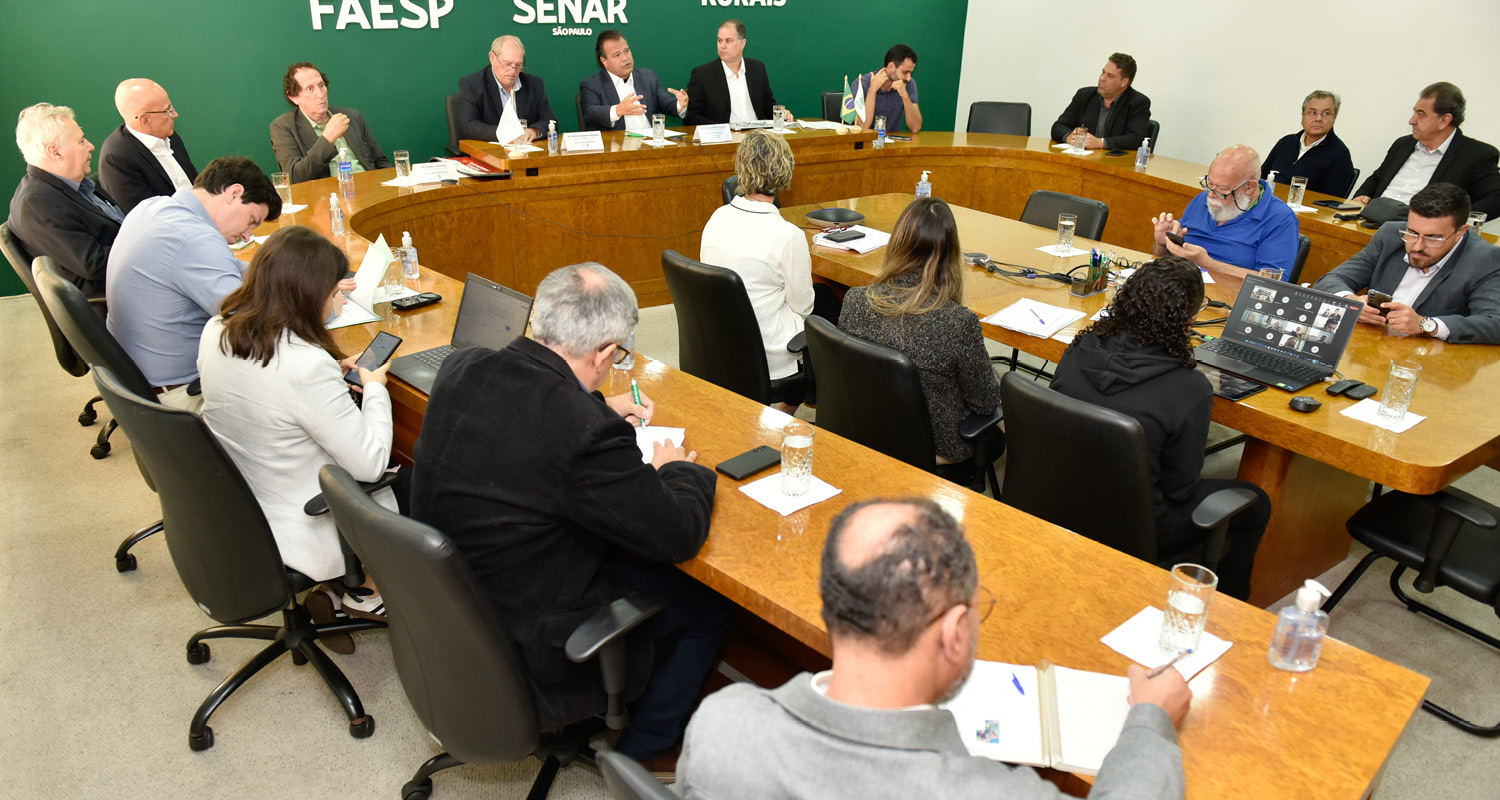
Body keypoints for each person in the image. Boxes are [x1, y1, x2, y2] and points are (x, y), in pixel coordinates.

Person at [410, 263, 728, 773]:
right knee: (707, 605)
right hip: (530, 639)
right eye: (618, 354)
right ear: (604, 352)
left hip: (456, 607)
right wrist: (676, 471)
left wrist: (595, 405)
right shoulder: (583, 433)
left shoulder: (462, 366)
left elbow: (524, 419)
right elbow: (679, 534)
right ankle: (644, 753)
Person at [678, 498, 1192, 799]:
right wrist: (1150, 722)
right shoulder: (986, 792)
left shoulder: (720, 723)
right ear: (953, 633)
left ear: (832, 605)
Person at [197, 225, 394, 629]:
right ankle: (367, 593)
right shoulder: (305, 366)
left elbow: (269, 388)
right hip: (304, 521)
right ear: (308, 295)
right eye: (336, 293)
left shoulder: (218, 327)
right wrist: (375, 387)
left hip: (241, 503)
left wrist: (332, 374)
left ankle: (340, 593)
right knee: (411, 478)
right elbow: (371, 464)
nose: (340, 301)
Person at [1052, 257, 1270, 600]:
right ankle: (1232, 608)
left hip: (1055, 496)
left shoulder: (1081, 345)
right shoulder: (1190, 387)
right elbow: (1180, 489)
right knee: (1256, 501)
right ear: (1189, 319)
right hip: (1136, 524)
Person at [105, 156, 281, 412]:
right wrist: (318, 303)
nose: (246, 236)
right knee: (306, 394)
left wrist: (291, 277)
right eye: (252, 221)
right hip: (180, 396)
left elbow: (231, 266)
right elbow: (250, 323)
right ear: (234, 193)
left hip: (135, 381)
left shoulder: (154, 207)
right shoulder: (195, 238)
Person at [838, 198, 1000, 466]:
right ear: (950, 255)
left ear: (897, 243)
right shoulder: (959, 322)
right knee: (999, 433)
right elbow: (985, 403)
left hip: (865, 430)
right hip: (934, 448)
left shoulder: (855, 300)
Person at [700, 131, 835, 386]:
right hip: (770, 353)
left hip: (722, 342)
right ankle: (813, 396)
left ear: (741, 167)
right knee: (830, 302)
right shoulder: (788, 235)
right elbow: (803, 308)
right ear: (785, 172)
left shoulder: (717, 217)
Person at [1314, 183, 1500, 344]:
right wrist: (1351, 302)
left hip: (1426, 359)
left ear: (1460, 232)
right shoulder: (1390, 235)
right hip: (1369, 345)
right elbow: (1330, 280)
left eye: (1433, 238)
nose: (1417, 246)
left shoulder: (1484, 259)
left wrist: (1426, 324)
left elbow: (1495, 323)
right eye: (1412, 233)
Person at [7, 103, 122, 296]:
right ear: (55, 151)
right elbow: (95, 264)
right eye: (81, 141)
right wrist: (146, 245)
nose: (91, 146)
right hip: (116, 295)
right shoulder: (37, 203)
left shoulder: (77, 185)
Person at [1150, 145, 1299, 279]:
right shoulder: (1203, 199)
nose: (1211, 195)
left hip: (1230, 295)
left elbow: (1272, 281)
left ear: (1249, 187)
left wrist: (1208, 263)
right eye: (1210, 184)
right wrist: (1162, 244)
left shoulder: (1280, 218)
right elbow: (1163, 260)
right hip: (1181, 284)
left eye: (1222, 189)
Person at [1354, 82, 1500, 218]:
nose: (1412, 121)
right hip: (1372, 219)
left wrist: (1453, 222)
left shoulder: (1476, 155)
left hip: (1415, 230)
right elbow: (1377, 178)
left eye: (1421, 114)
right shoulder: (1403, 144)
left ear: (1444, 120)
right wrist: (1362, 196)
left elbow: (1496, 199)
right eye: (1414, 112)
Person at [271, 62, 391, 184]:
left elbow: (380, 161)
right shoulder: (283, 127)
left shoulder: (352, 116)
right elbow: (295, 178)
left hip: (371, 187)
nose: (320, 94)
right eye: (310, 89)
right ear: (294, 97)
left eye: (321, 85)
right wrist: (327, 138)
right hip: (328, 193)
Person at [98, 79, 199, 214]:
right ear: (144, 120)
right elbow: (148, 216)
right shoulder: (117, 158)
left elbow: (194, 183)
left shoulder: (169, 135)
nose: (175, 114)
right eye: (168, 110)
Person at [579, 30, 688, 133]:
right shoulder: (592, 85)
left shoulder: (647, 76)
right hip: (617, 144)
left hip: (651, 142)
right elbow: (590, 113)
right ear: (604, 61)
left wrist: (680, 104)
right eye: (617, 55)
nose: (625, 58)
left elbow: (665, 102)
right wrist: (618, 110)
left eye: (626, 51)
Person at [456, 35, 557, 144]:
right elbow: (468, 125)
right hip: (490, 150)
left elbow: (549, 120)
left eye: (518, 65)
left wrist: (535, 131)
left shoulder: (534, 84)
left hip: (526, 150)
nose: (513, 71)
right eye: (507, 64)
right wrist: (504, 134)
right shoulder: (473, 84)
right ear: (492, 58)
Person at [684, 20, 785, 126]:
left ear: (743, 43)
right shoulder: (702, 74)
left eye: (728, 41)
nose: (722, 46)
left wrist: (781, 114)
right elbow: (691, 116)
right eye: (719, 40)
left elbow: (768, 105)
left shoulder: (757, 68)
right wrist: (720, 129)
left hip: (757, 134)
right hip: (724, 135)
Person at [1260, 90, 1356, 198]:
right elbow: (1261, 178)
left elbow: (1332, 200)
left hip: (1303, 207)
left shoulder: (1340, 154)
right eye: (1313, 113)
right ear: (1303, 117)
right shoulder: (1286, 142)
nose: (1318, 119)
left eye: (1326, 114)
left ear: (1334, 118)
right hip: (1270, 202)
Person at [1049, 53, 1152, 151]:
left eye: (1110, 76)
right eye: (1103, 72)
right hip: (1081, 158)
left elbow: (1136, 139)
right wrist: (1069, 136)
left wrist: (1101, 142)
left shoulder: (1138, 102)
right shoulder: (1085, 95)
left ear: (1124, 82)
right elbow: (1058, 126)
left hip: (1113, 162)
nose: (1102, 78)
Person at [854, 44, 922, 133]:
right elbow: (862, 127)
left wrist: (905, 95)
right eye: (905, 72)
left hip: (894, 141)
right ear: (891, 67)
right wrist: (872, 89)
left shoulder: (909, 84)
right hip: (866, 140)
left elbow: (916, 128)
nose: (908, 78)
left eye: (910, 73)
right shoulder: (861, 84)